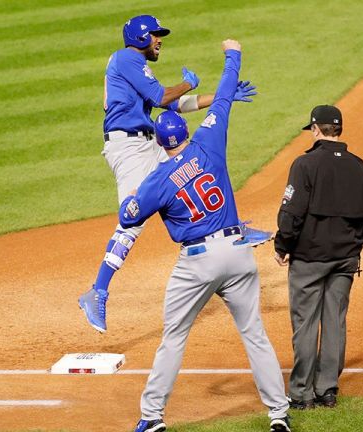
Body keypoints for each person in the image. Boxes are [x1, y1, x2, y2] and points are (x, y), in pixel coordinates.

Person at [119, 40, 291, 432]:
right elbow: (224, 99)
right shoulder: (208, 141)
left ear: (161, 143)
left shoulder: (158, 180)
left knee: (174, 337)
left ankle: (151, 417)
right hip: (237, 249)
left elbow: (128, 217)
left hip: (198, 262)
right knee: (255, 335)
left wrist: (134, 198)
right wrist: (233, 56)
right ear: (184, 131)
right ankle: (279, 415)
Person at [78, 15, 267, 334]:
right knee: (131, 221)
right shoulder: (126, 58)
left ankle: (230, 228)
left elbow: (176, 105)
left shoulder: (135, 65)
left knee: (196, 168)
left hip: (145, 141)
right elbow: (163, 98)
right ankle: (97, 291)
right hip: (129, 149)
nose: (159, 40)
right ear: (139, 38)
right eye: (154, 35)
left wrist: (223, 97)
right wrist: (189, 83)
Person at [273, 105, 363, 409]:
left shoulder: (305, 164)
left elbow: (291, 213)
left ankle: (301, 395)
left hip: (309, 259)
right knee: (334, 322)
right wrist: (354, 244)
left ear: (316, 130)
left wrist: (283, 245)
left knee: (306, 324)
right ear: (339, 130)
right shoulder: (360, 168)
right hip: (345, 260)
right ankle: (327, 390)